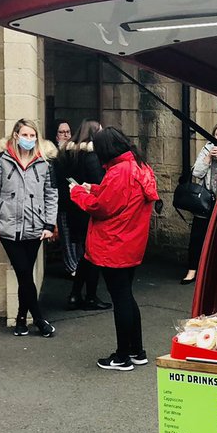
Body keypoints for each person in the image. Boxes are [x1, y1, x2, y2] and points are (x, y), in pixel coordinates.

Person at [70, 127, 159, 372]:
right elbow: (120, 198)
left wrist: (77, 192)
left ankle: (121, 356)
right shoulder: (139, 166)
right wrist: (94, 187)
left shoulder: (118, 172)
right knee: (126, 296)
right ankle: (136, 350)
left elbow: (101, 208)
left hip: (113, 244)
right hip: (131, 242)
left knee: (120, 298)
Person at [0, 118, 58, 338]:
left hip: (35, 227)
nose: (29, 139)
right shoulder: (2, 160)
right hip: (9, 226)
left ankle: (20, 320)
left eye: (32, 135)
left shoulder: (45, 162)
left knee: (25, 275)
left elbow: (51, 195)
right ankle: (38, 319)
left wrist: (49, 224)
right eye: (25, 135)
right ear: (16, 136)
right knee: (24, 273)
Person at [58, 120, 111, 311]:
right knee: (92, 256)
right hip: (88, 210)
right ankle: (89, 296)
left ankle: (75, 294)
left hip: (73, 209)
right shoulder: (91, 157)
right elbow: (100, 183)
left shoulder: (66, 154)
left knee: (85, 256)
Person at [182, 121, 217, 284]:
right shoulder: (206, 149)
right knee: (198, 236)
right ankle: (192, 270)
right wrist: (207, 157)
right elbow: (197, 173)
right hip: (205, 201)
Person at [51, 121, 77, 278]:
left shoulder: (75, 154)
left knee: (75, 237)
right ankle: (71, 267)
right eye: (62, 132)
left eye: (68, 131)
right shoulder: (53, 157)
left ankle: (77, 267)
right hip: (61, 203)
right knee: (66, 236)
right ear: (56, 136)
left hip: (76, 202)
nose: (66, 135)